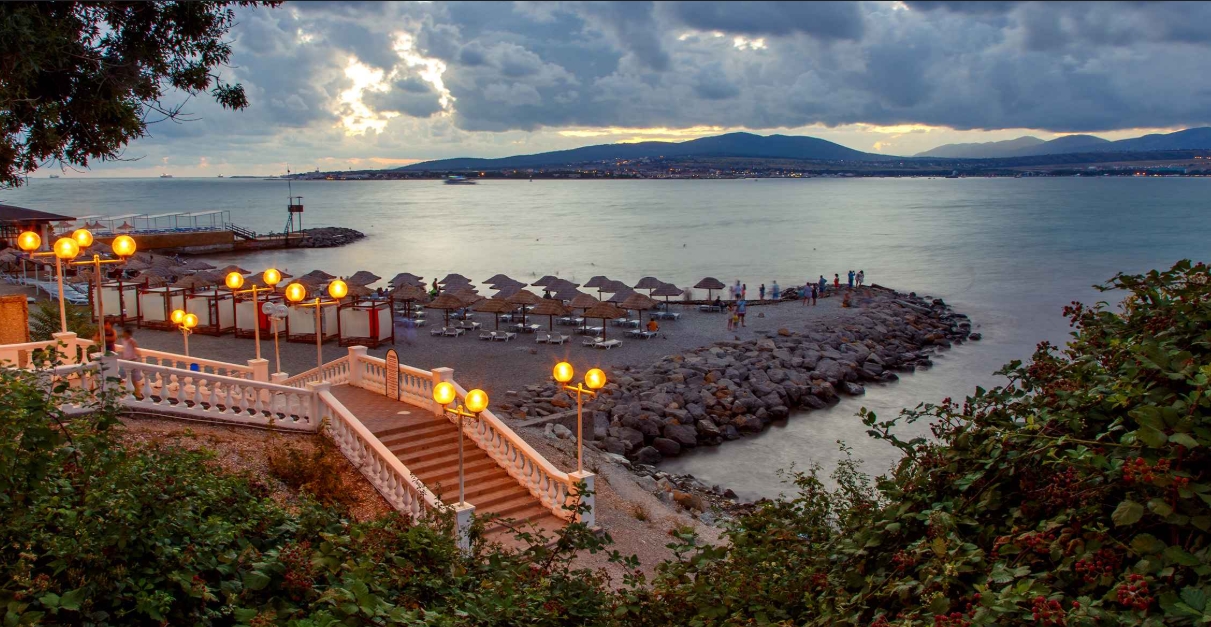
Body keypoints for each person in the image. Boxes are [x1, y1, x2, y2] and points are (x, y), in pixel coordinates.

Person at [119, 326, 143, 398]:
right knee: (126, 377)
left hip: (132, 360)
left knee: (134, 379)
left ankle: (138, 393)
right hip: (126, 360)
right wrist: (122, 356)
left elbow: (135, 348)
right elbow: (124, 349)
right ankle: (132, 392)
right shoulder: (124, 340)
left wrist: (138, 357)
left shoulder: (131, 340)